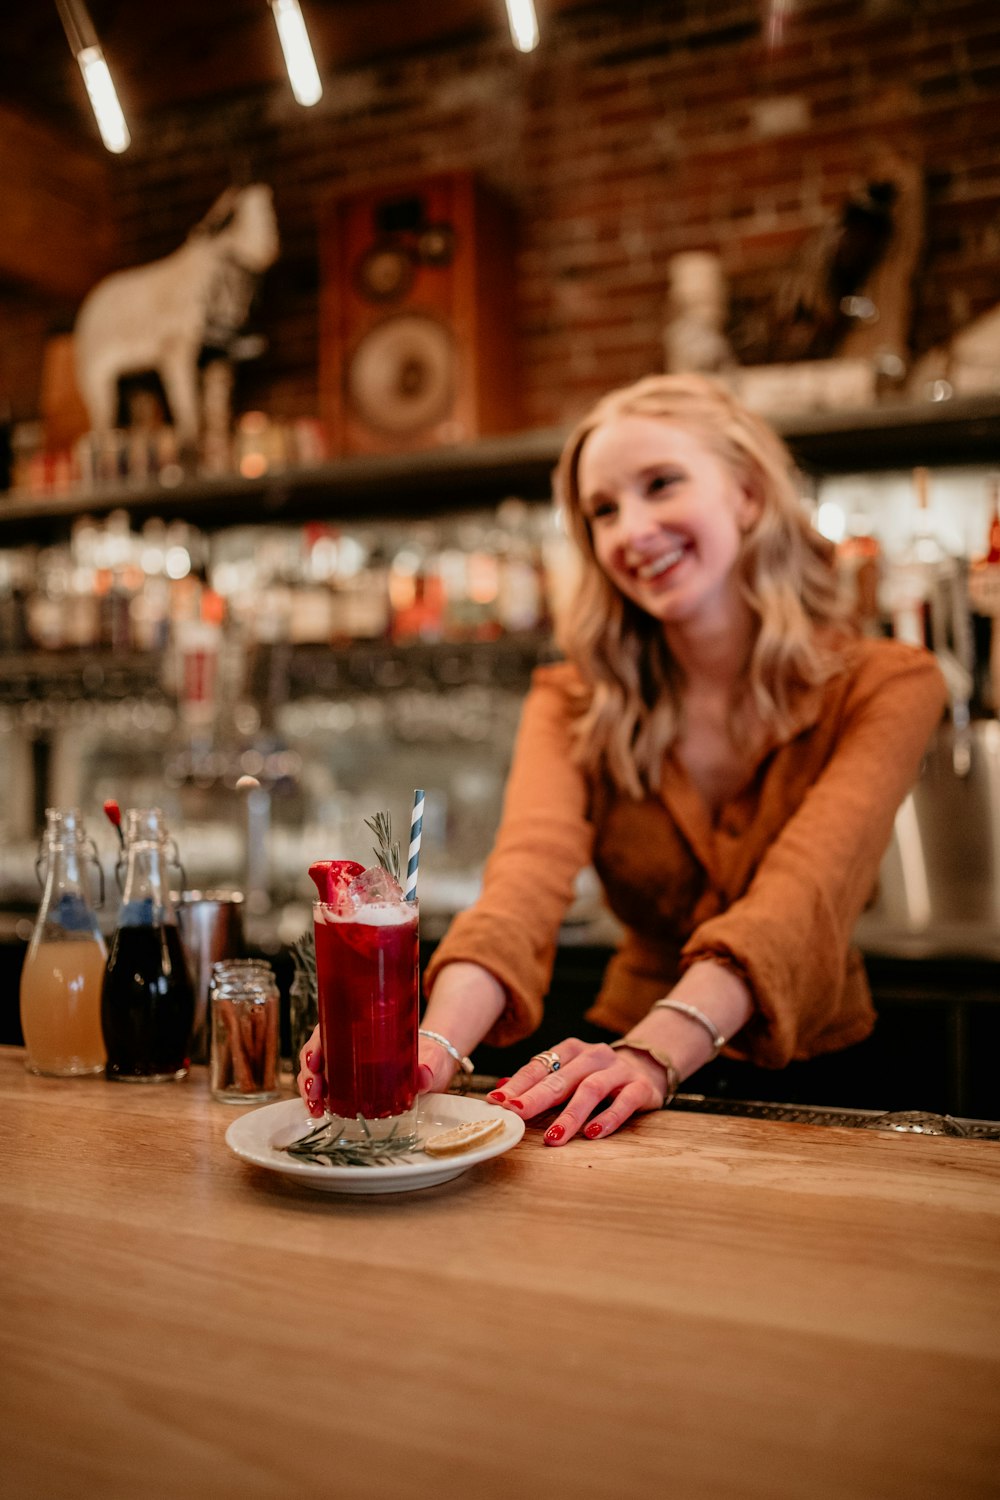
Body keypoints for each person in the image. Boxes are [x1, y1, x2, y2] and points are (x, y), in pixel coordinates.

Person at [298, 374, 947, 1144]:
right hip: (609, 1079)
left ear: (746, 494)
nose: (631, 531)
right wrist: (430, 1049)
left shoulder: (889, 684)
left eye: (661, 485)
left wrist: (656, 1052)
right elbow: (522, 890)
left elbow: (802, 898)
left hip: (807, 1075)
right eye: (602, 511)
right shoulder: (573, 698)